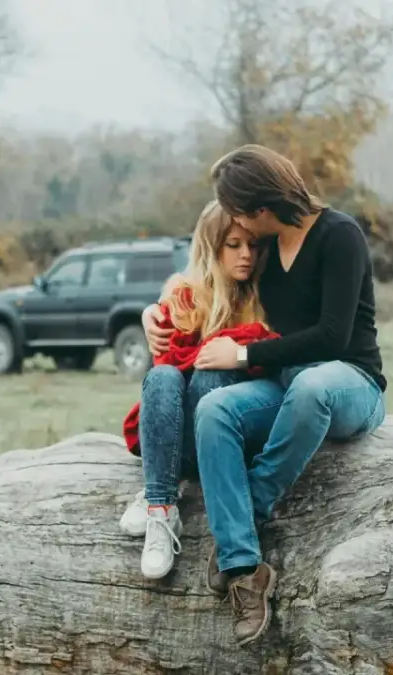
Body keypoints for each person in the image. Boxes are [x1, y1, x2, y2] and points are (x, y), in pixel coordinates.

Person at [141, 144, 388, 648]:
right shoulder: (267, 247)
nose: (236, 224)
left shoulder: (339, 235)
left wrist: (242, 357)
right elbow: (207, 282)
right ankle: (243, 569)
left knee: (312, 384)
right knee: (214, 409)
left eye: (236, 209)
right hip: (284, 382)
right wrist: (155, 313)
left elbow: (333, 337)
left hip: (348, 382)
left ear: (260, 208)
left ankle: (247, 511)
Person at [117, 200, 277, 580]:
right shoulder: (186, 295)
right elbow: (165, 368)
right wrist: (151, 314)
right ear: (211, 247)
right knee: (162, 377)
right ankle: (161, 508)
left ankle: (159, 487)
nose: (245, 255)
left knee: (209, 377)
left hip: (228, 439)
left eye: (252, 246)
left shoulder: (266, 296)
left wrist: (235, 352)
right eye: (233, 244)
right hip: (179, 437)